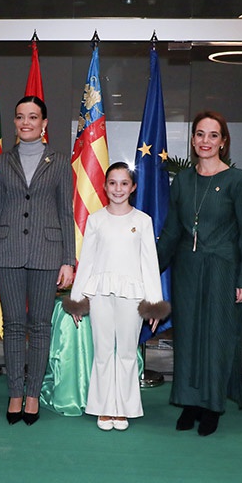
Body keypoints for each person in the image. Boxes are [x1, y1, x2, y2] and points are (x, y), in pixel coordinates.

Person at [157, 110, 242, 436]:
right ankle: (190, 402)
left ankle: (212, 405)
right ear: (193, 139)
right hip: (186, 270)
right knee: (187, 337)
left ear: (223, 141)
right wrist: (147, 270)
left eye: (213, 135)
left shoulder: (238, 181)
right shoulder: (183, 181)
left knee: (216, 337)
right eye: (200, 134)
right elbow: (171, 232)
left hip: (222, 270)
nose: (206, 141)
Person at [0, 96, 74, 425]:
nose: (26, 122)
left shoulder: (60, 162)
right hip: (6, 252)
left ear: (44, 123)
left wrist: (68, 260)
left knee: (40, 326)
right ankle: (15, 393)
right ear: (15, 122)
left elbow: (66, 213)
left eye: (33, 117)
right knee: (13, 326)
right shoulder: (1, 162)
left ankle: (32, 393)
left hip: (47, 253)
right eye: (20, 116)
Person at [63, 162, 169, 431]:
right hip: (100, 293)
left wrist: (154, 304)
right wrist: (77, 299)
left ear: (133, 187)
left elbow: (149, 263)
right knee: (102, 352)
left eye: (124, 183)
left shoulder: (142, 221)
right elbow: (87, 261)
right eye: (112, 183)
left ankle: (123, 409)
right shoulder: (96, 220)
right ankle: (103, 407)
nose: (118, 189)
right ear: (105, 186)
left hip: (132, 295)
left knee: (126, 352)